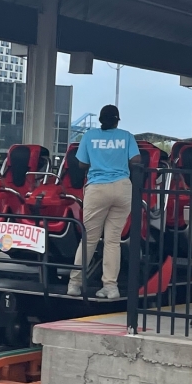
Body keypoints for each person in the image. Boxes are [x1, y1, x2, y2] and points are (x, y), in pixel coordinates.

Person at [66, 105, 141, 300]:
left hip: (97, 188)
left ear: (100, 120)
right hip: (123, 187)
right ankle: (110, 287)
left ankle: (75, 283)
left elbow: (81, 164)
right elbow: (136, 161)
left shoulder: (89, 136)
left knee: (89, 239)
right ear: (117, 120)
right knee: (113, 240)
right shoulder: (127, 136)